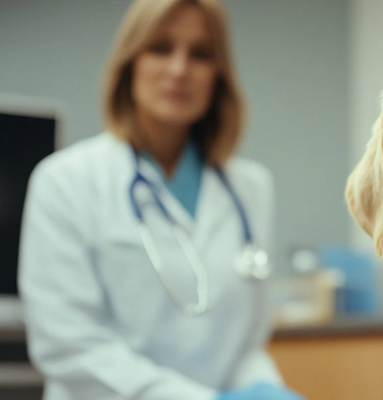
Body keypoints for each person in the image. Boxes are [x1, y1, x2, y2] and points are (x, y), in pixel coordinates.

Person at [17, 1, 304, 399]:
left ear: (218, 74)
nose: (179, 69)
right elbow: (70, 347)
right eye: (160, 48)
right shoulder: (65, 181)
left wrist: (263, 389)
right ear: (130, 62)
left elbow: (246, 345)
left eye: (200, 54)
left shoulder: (251, 187)